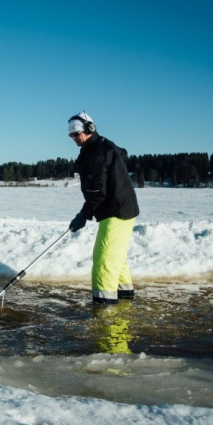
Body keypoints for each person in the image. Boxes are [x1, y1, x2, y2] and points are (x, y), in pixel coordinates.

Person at [67, 111, 139, 305]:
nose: (74, 138)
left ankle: (104, 312)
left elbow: (97, 191)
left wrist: (84, 214)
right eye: (71, 135)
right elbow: (121, 155)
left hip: (116, 211)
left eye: (76, 133)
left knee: (104, 261)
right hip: (121, 208)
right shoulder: (101, 146)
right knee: (116, 258)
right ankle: (125, 301)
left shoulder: (97, 153)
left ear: (90, 128)